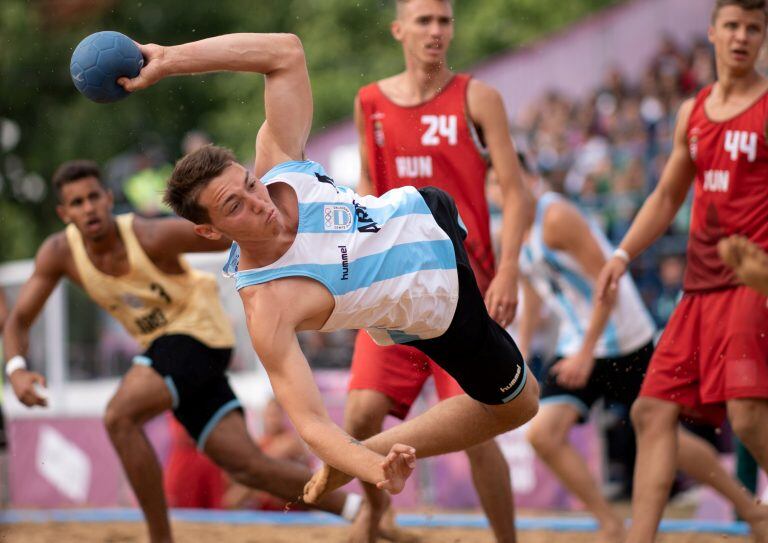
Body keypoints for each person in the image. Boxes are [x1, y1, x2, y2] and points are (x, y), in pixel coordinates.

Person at [118, 31, 539, 507]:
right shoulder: (268, 305)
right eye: (235, 206)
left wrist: (169, 59)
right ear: (211, 233)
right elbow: (313, 424)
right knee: (520, 405)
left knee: (475, 398)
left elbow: (286, 51)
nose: (258, 203)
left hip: (429, 210)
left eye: (249, 184)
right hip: (440, 312)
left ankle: (360, 452)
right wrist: (375, 469)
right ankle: (365, 453)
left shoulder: (278, 155)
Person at [2, 160, 364, 543]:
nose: (88, 208)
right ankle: (358, 509)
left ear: (109, 199)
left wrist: (292, 227)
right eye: (77, 203)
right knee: (249, 467)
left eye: (94, 197)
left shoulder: (148, 236)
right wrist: (16, 369)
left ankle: (160, 539)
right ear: (64, 213)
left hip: (200, 334)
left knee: (119, 417)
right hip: (174, 354)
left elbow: (224, 230)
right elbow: (19, 320)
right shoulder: (59, 254)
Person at [347, 0, 529, 540]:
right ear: (398, 29)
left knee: (479, 428)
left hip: (463, 290)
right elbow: (367, 186)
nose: (435, 30)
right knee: (358, 420)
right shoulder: (370, 102)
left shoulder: (478, 97)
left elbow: (517, 195)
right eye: (423, 20)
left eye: (444, 20)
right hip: (395, 285)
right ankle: (381, 521)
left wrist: (511, 270)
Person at [519, 168, 768, 543]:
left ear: (527, 177)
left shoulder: (555, 217)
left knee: (666, 434)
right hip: (578, 343)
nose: (495, 190)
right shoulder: (513, 231)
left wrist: (587, 352)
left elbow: (607, 282)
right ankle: (610, 523)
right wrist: (522, 351)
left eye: (501, 181)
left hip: (622, 339)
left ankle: (749, 508)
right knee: (543, 434)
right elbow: (535, 295)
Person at [596, 2, 768, 541]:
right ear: (713, 33)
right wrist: (622, 255)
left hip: (751, 284)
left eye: (754, 29)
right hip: (699, 291)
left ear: (763, 37)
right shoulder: (692, 112)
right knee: (651, 412)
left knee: (745, 418)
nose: (742, 37)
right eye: (734, 26)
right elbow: (668, 193)